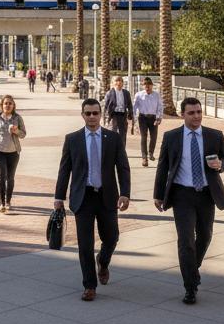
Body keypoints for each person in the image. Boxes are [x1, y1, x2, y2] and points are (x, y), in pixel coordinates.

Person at [153, 96, 224, 305]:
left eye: (199, 112)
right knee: (185, 241)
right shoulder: (171, 137)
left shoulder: (214, 135)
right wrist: (158, 194)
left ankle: (192, 269)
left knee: (205, 236)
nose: (196, 116)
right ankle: (190, 287)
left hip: (207, 194)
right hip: (182, 195)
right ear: (183, 115)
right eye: (191, 113)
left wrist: (221, 165)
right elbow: (163, 166)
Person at [54, 99, 130, 301]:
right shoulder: (73, 139)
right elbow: (64, 170)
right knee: (85, 245)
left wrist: (125, 193)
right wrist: (59, 197)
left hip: (107, 196)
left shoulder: (113, 138)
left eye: (95, 113)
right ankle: (89, 285)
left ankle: (103, 262)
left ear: (100, 114)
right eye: (88, 113)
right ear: (83, 115)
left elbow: (123, 167)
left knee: (111, 237)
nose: (92, 117)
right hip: (83, 197)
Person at [0, 94, 26, 213]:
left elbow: (23, 134)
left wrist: (16, 131)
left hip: (14, 153)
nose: (7, 105)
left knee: (10, 178)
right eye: (5, 103)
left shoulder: (17, 118)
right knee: (1, 176)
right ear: (2, 105)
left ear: (13, 105)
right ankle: (2, 203)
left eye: (10, 103)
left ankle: (8, 201)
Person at [133, 77, 163, 167]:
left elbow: (160, 107)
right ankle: (144, 158)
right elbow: (134, 107)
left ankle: (151, 153)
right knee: (144, 137)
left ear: (152, 85)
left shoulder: (156, 95)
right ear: (143, 86)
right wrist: (134, 120)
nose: (147, 87)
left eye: (149, 85)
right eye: (145, 85)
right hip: (142, 118)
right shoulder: (138, 95)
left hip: (153, 118)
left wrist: (159, 118)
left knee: (153, 137)